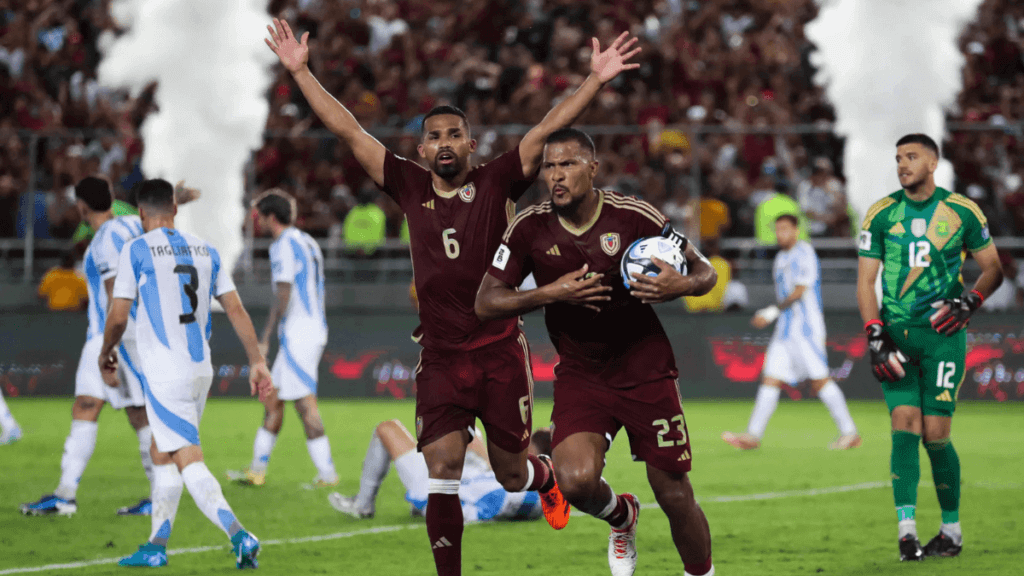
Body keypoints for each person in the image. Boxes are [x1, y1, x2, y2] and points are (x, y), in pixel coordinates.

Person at [265, 18, 640, 576]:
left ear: (470, 144)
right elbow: (349, 131)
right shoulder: (408, 184)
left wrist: (593, 82)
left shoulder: (495, 181)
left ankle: (577, 494)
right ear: (422, 147)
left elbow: (544, 128)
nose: (444, 144)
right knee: (442, 465)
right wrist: (301, 72)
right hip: (440, 355)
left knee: (514, 474)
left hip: (498, 352)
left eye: (453, 135)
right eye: (433, 136)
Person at [475, 129, 718, 576]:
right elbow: (487, 301)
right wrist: (551, 292)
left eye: (567, 164)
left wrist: (681, 284)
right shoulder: (528, 227)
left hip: (645, 370)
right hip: (582, 376)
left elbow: (704, 270)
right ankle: (622, 517)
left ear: (593, 168)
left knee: (673, 491)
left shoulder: (632, 216)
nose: (556, 175)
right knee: (574, 481)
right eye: (549, 167)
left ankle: (701, 573)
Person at [98, 178, 271, 568]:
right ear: (175, 209)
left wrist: (106, 351)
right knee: (164, 450)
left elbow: (118, 315)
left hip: (164, 371)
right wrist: (257, 361)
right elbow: (237, 310)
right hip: (199, 370)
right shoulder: (206, 249)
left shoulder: (136, 249)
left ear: (141, 213)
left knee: (187, 457)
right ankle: (156, 545)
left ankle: (240, 534)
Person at [857, 134, 1003, 561]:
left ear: (934, 163)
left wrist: (971, 301)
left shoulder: (962, 211)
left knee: (937, 435)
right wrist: (875, 334)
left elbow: (993, 268)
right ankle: (906, 532)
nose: (902, 164)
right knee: (904, 421)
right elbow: (866, 281)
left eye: (912, 157)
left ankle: (951, 531)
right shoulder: (881, 213)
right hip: (896, 337)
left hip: (943, 338)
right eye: (899, 157)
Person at [20, 177, 154, 518]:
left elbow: (115, 297)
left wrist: (107, 351)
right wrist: (181, 195)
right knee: (125, 412)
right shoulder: (128, 224)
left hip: (110, 334)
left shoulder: (104, 242)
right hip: (136, 333)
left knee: (97, 408)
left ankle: (67, 496)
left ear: (81, 207)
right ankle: (72, 495)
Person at [227, 189, 338, 488]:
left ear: (271, 217)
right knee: (273, 400)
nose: (258, 222)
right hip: (312, 328)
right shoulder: (308, 241)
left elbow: (284, 292)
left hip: (298, 332)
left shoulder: (283, 245)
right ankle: (257, 470)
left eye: (260, 216)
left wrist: (265, 337)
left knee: (304, 405)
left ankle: (327, 475)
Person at [721, 214, 860, 450]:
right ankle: (753, 435)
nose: (780, 234)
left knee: (819, 379)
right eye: (777, 230)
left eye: (785, 229)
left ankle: (849, 433)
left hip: (806, 328)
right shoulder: (781, 257)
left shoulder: (804, 252)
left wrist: (772, 312)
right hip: (786, 329)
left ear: (796, 230)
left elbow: (800, 290)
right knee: (771, 379)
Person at [329, 420, 552, 523]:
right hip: (461, 473)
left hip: (437, 480)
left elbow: (482, 508)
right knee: (468, 428)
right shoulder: (533, 487)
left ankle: (363, 505)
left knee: (386, 429)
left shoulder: (527, 492)